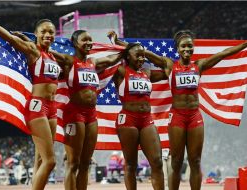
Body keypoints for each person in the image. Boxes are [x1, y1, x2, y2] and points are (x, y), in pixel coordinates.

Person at [110, 30, 247, 190]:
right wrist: (119, 43)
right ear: (178, 48)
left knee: (195, 161)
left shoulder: (199, 65)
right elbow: (143, 52)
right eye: (183, 46)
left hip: (195, 116)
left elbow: (223, 54)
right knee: (176, 161)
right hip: (177, 117)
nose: (187, 49)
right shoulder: (169, 65)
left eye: (190, 46)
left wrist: (245, 44)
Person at [50, 29, 124, 190]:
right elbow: (49, 52)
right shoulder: (69, 61)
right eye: (85, 40)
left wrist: (120, 44)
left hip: (91, 115)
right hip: (74, 114)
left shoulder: (93, 62)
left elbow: (114, 58)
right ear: (75, 43)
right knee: (73, 163)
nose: (89, 42)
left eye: (90, 40)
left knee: (85, 163)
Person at [0, 19, 60, 190]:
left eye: (51, 32)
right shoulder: (33, 51)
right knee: (50, 161)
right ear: (36, 34)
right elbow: (10, 38)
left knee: (40, 159)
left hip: (52, 109)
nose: (47, 35)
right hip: (38, 107)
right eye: (43, 31)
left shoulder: (52, 55)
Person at [108, 40, 167, 190]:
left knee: (157, 162)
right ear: (127, 56)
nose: (142, 59)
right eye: (138, 56)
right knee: (131, 164)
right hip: (128, 119)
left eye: (143, 56)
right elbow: (102, 64)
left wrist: (144, 51)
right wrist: (119, 45)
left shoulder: (147, 72)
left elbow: (168, 69)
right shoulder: (120, 71)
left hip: (146, 119)